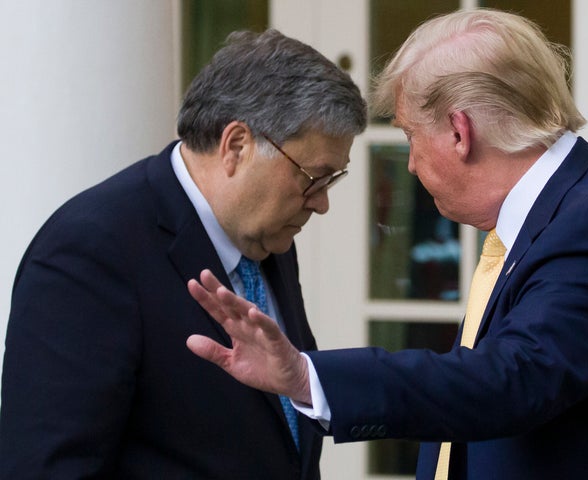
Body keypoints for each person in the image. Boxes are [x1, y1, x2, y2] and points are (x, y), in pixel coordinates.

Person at [184, 8, 588, 479]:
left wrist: (307, 375)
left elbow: (507, 382)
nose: (411, 164)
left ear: (460, 132)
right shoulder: (565, 214)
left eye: (410, 136)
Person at [0, 29, 366, 479]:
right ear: (236, 146)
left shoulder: (266, 237)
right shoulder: (88, 252)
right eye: (314, 177)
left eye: (332, 180)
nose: (321, 202)